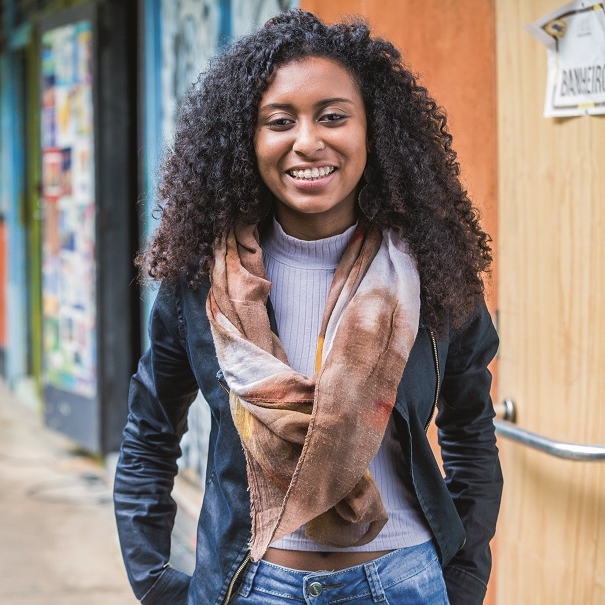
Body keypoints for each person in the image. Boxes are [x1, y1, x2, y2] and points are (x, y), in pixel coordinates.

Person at [113, 10, 502, 605]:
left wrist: (466, 575)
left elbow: (469, 430)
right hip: (251, 584)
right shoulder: (203, 283)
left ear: (374, 129)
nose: (307, 142)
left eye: (333, 116)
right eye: (279, 121)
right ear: (248, 139)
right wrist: (153, 580)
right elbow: (150, 431)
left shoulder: (431, 271)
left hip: (402, 583)